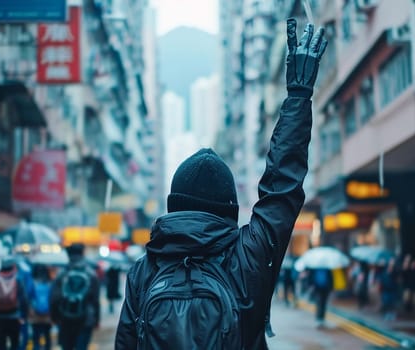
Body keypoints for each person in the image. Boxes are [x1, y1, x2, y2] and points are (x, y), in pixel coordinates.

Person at [114, 20, 327, 349]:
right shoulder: (248, 257)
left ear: (174, 206)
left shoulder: (144, 270)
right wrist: (298, 98)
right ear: (229, 209)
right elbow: (281, 190)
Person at [50, 243, 101, 350]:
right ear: (82, 254)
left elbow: (54, 298)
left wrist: (54, 317)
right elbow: (95, 300)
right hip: (86, 319)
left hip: (65, 318)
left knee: (67, 347)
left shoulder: (62, 274)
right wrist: (96, 320)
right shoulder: (91, 274)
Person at [0, 257, 29, 350]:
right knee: (15, 343)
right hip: (14, 316)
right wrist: (23, 316)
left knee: (0, 344)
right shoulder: (17, 278)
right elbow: (24, 299)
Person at [30, 264, 53, 350]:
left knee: (36, 338)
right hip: (48, 315)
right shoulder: (49, 283)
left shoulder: (33, 283)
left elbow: (28, 298)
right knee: (47, 337)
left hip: (35, 315)